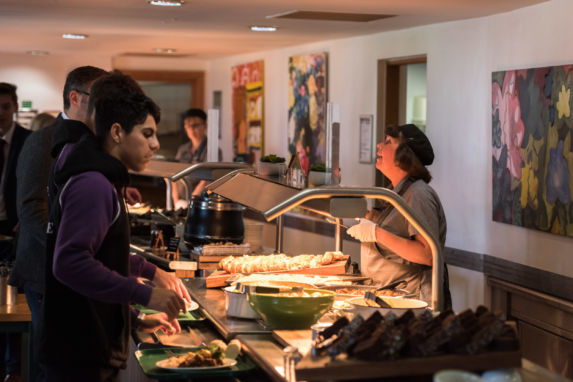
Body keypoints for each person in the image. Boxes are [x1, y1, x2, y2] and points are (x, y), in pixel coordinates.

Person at [39, 72, 186, 382]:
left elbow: (103, 256)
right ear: (117, 132)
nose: (155, 144)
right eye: (147, 134)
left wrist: (134, 316)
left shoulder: (98, 176)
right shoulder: (93, 184)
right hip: (80, 351)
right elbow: (70, 263)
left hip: (87, 344)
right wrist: (143, 295)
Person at [346, 124, 451, 309]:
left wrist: (376, 233)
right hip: (388, 299)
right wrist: (373, 218)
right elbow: (400, 229)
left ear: (404, 156)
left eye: (388, 142)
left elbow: (427, 254)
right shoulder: (395, 192)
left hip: (412, 304)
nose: (379, 145)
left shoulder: (418, 194)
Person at [0, 82, 31, 382]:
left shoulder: (30, 141)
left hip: (16, 230)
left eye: (5, 106)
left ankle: (12, 369)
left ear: (15, 107)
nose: (0, 113)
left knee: (12, 304)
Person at [172, 108, 220, 208]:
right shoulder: (182, 149)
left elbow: (208, 180)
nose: (191, 129)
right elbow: (174, 175)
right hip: (180, 202)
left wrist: (191, 202)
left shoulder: (212, 151)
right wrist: (176, 201)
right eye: (188, 126)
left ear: (205, 125)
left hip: (201, 203)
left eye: (195, 125)